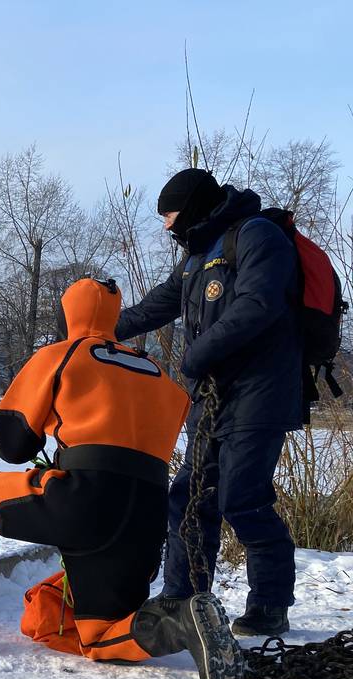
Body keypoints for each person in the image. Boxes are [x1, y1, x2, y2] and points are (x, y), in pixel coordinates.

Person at [0, 277, 245, 679]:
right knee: (100, 635)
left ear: (66, 314)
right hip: (146, 516)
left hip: (80, 500)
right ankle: (178, 622)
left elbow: (14, 444)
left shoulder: (61, 354)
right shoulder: (158, 372)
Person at [116, 168, 301, 637]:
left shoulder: (258, 237)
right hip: (212, 397)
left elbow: (258, 305)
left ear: (194, 207)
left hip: (259, 395)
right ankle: (183, 598)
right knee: (188, 498)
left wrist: (197, 354)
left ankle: (270, 604)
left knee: (243, 497)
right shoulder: (199, 256)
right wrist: (92, 330)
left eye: (169, 216)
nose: (166, 227)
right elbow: (157, 305)